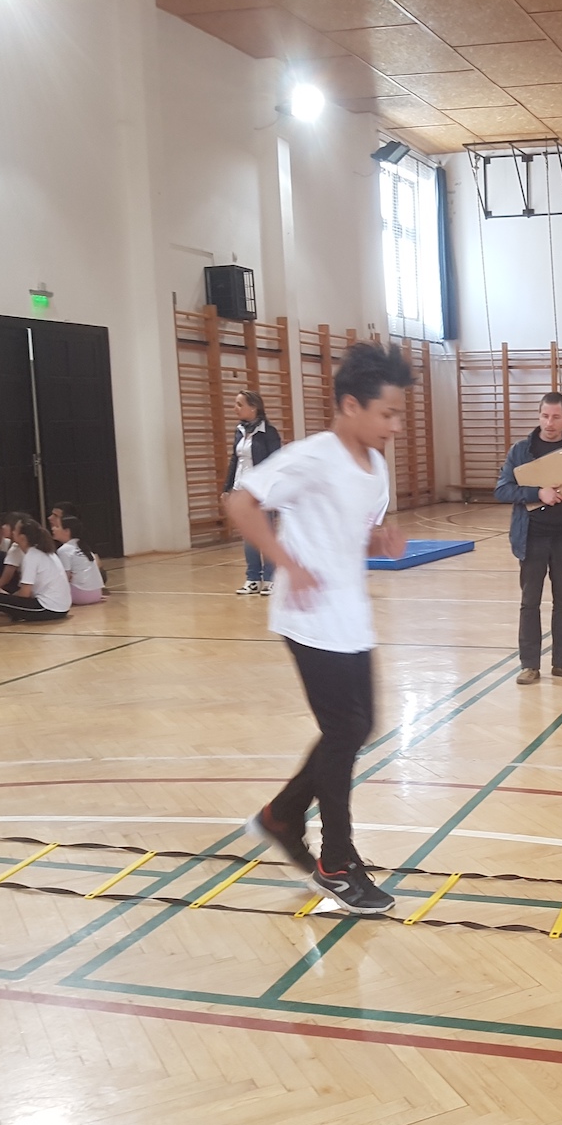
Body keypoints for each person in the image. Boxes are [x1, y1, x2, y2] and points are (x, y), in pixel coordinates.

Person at [229, 341, 412, 916]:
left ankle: (282, 816)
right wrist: (286, 562)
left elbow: (356, 530)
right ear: (351, 405)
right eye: (387, 414)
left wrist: (380, 540)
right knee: (344, 729)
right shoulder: (311, 456)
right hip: (308, 618)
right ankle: (335, 862)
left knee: (359, 725)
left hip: (350, 615)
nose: (396, 426)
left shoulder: (376, 467)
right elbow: (240, 504)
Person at [496, 392, 562, 685]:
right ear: (539, 415)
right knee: (530, 602)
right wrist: (536, 493)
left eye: (556, 417)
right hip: (531, 538)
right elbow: (502, 489)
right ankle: (529, 665)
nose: (549, 423)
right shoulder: (520, 450)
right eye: (545, 416)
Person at [221, 390, 282, 594]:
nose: (235, 408)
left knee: (266, 534)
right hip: (242, 490)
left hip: (262, 491)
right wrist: (227, 488)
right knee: (249, 536)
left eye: (240, 404)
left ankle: (271, 578)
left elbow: (276, 464)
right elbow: (235, 460)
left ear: (254, 407)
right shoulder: (239, 431)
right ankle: (253, 578)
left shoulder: (268, 433)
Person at [0, 520, 70, 622]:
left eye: (15, 530)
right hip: (60, 607)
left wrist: (8, 598)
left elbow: (25, 594)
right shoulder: (44, 551)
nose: (13, 532)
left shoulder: (31, 556)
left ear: (23, 537)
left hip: (48, 608)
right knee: (2, 597)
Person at [54, 514, 105, 605]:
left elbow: (64, 578)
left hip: (80, 596)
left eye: (57, 526)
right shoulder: (84, 546)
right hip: (97, 594)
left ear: (66, 531)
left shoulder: (64, 550)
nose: (53, 529)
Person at [0, 511, 32, 594]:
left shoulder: (15, 549)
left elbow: (5, 579)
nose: (3, 527)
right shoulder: (33, 544)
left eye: (7, 524)